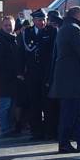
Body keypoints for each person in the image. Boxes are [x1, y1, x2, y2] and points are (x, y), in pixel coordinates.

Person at [49, 6, 80, 154]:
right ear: (77, 16)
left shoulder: (64, 27)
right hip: (72, 77)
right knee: (70, 112)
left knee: (74, 112)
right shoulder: (75, 29)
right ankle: (63, 143)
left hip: (65, 76)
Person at [19, 9, 56, 140]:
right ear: (33, 20)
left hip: (47, 73)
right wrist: (21, 71)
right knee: (34, 104)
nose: (43, 22)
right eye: (40, 20)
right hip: (32, 74)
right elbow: (22, 53)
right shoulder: (27, 32)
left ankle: (50, 131)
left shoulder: (52, 31)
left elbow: (53, 53)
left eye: (44, 19)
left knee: (48, 103)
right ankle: (36, 132)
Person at [0, 16, 21, 136]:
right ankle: (5, 128)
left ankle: (11, 126)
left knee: (13, 104)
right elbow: (0, 60)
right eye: (6, 25)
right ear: (2, 26)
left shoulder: (16, 39)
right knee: (5, 104)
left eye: (10, 25)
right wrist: (15, 72)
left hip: (16, 79)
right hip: (5, 78)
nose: (8, 27)